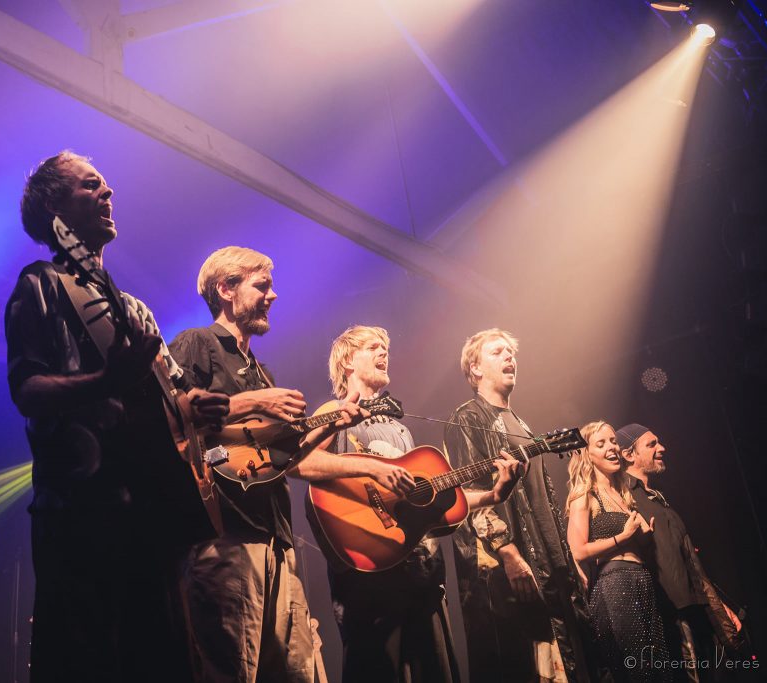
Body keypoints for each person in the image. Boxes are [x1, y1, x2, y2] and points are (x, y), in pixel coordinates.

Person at [5, 151, 229, 682]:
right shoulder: (39, 284)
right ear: (55, 208)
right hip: (81, 517)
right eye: (91, 186)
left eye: (106, 185)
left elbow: (171, 398)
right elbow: (25, 389)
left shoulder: (135, 309)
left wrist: (197, 407)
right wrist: (104, 383)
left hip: (152, 518)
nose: (108, 194)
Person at [169, 246, 369, 683]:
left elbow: (287, 460)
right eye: (262, 285)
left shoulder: (263, 371)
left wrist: (334, 420)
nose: (273, 296)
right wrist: (254, 402)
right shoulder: (196, 344)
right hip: (225, 543)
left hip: (277, 544)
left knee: (297, 673)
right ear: (226, 289)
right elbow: (172, 423)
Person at [310, 325, 526, 683]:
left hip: (421, 575)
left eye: (387, 347)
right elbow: (304, 463)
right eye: (374, 347)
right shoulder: (335, 410)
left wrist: (492, 495)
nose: (385, 353)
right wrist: (371, 468)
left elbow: (435, 506)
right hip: (369, 571)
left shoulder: (400, 430)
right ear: (348, 360)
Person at [443, 328, 590, 683]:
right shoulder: (467, 418)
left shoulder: (522, 424)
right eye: (498, 352)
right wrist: (508, 553)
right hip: (504, 569)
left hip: (549, 563)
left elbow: (544, 499)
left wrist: (566, 559)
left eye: (511, 351)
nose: (510, 357)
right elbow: (469, 494)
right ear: (475, 369)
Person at [616, 424, 742, 682]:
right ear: (629, 455)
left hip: (697, 606)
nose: (662, 448)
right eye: (651, 444)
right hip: (672, 611)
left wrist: (718, 605)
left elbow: (690, 562)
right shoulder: (622, 498)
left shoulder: (658, 498)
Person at [566, 420, 669, 682]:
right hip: (615, 584)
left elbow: (635, 544)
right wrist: (622, 537)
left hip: (642, 580)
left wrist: (644, 538)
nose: (611, 447)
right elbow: (578, 550)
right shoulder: (585, 494)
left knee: (658, 670)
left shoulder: (624, 494)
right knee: (636, 672)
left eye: (613, 441)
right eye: (601, 444)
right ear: (586, 454)